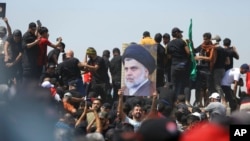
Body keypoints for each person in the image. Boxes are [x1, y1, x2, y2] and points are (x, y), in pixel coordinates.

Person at [167, 27, 190, 103]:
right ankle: (186, 101)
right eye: (180, 32)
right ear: (177, 33)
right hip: (183, 66)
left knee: (174, 84)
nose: (181, 34)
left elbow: (169, 56)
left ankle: (174, 101)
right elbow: (188, 52)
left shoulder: (169, 44)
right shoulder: (182, 42)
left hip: (174, 66)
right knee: (186, 84)